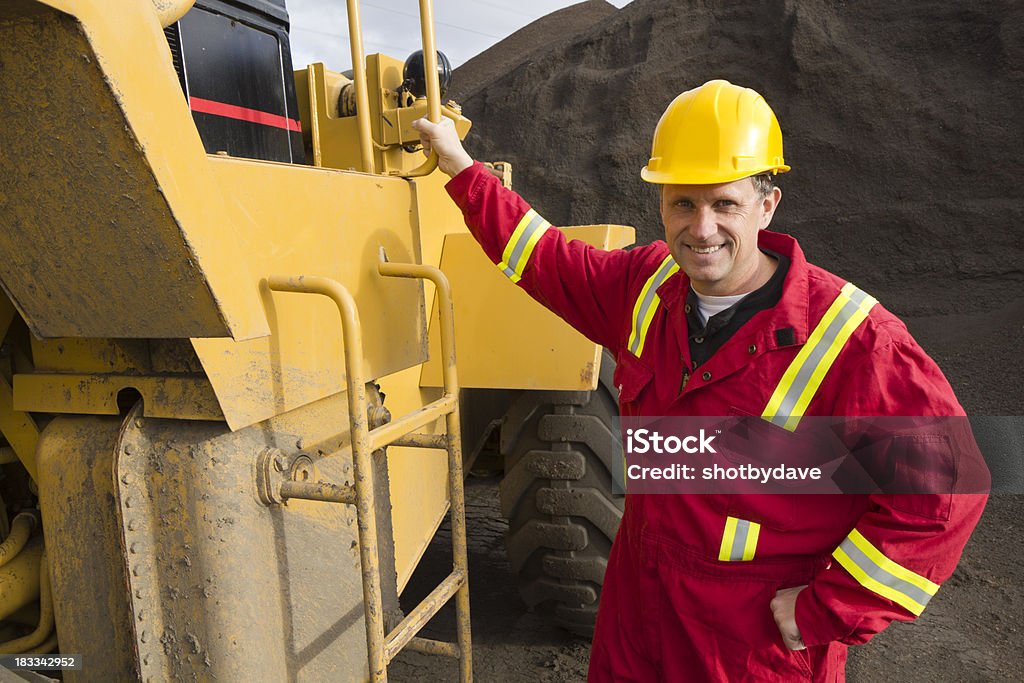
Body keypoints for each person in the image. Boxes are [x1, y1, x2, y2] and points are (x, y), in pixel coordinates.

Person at [412, 79, 987, 682]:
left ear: (767, 205)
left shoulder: (854, 340)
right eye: (683, 203)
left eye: (725, 204)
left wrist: (824, 610)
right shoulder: (646, 287)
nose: (702, 228)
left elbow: (948, 492)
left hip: (749, 643)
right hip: (638, 608)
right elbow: (544, 257)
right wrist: (460, 166)